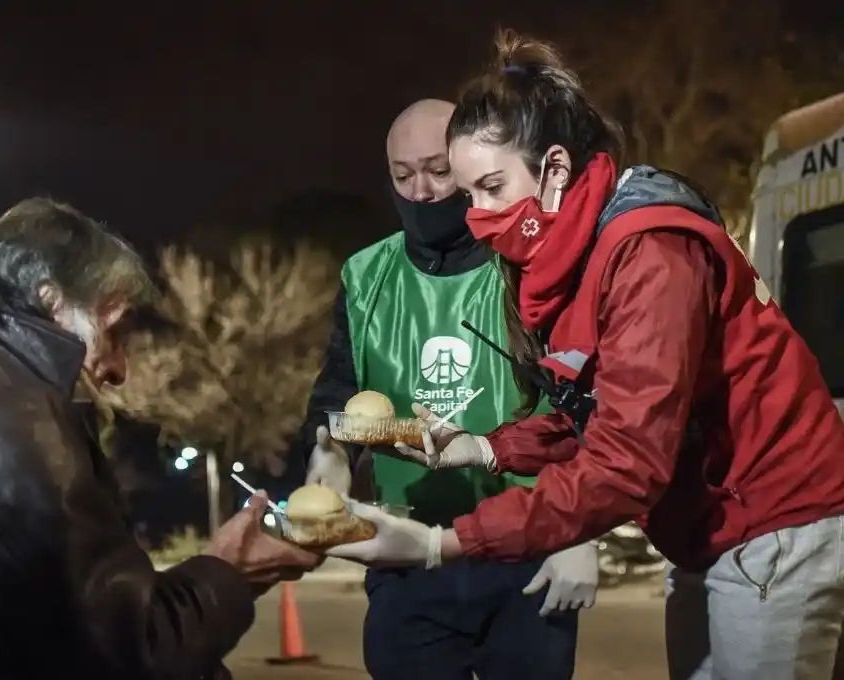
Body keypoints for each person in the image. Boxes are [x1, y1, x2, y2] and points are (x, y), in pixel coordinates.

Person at [327, 29, 844, 680]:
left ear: (556, 169)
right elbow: (594, 409)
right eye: (469, 194)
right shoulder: (569, 257)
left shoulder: (649, 254)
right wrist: (485, 448)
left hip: (774, 523)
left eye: (489, 186)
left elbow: (626, 461)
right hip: (709, 525)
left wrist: (443, 543)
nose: (477, 214)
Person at [0, 198, 321, 680]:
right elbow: (132, 656)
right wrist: (229, 571)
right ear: (51, 300)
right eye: (115, 329)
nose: (118, 368)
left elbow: (66, 621)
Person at [295, 99, 596, 680]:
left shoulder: (528, 266)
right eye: (402, 175)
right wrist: (328, 454)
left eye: (438, 170)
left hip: (526, 553)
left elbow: (580, 411)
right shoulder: (365, 276)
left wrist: (577, 532)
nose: (422, 191)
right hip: (408, 553)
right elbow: (337, 392)